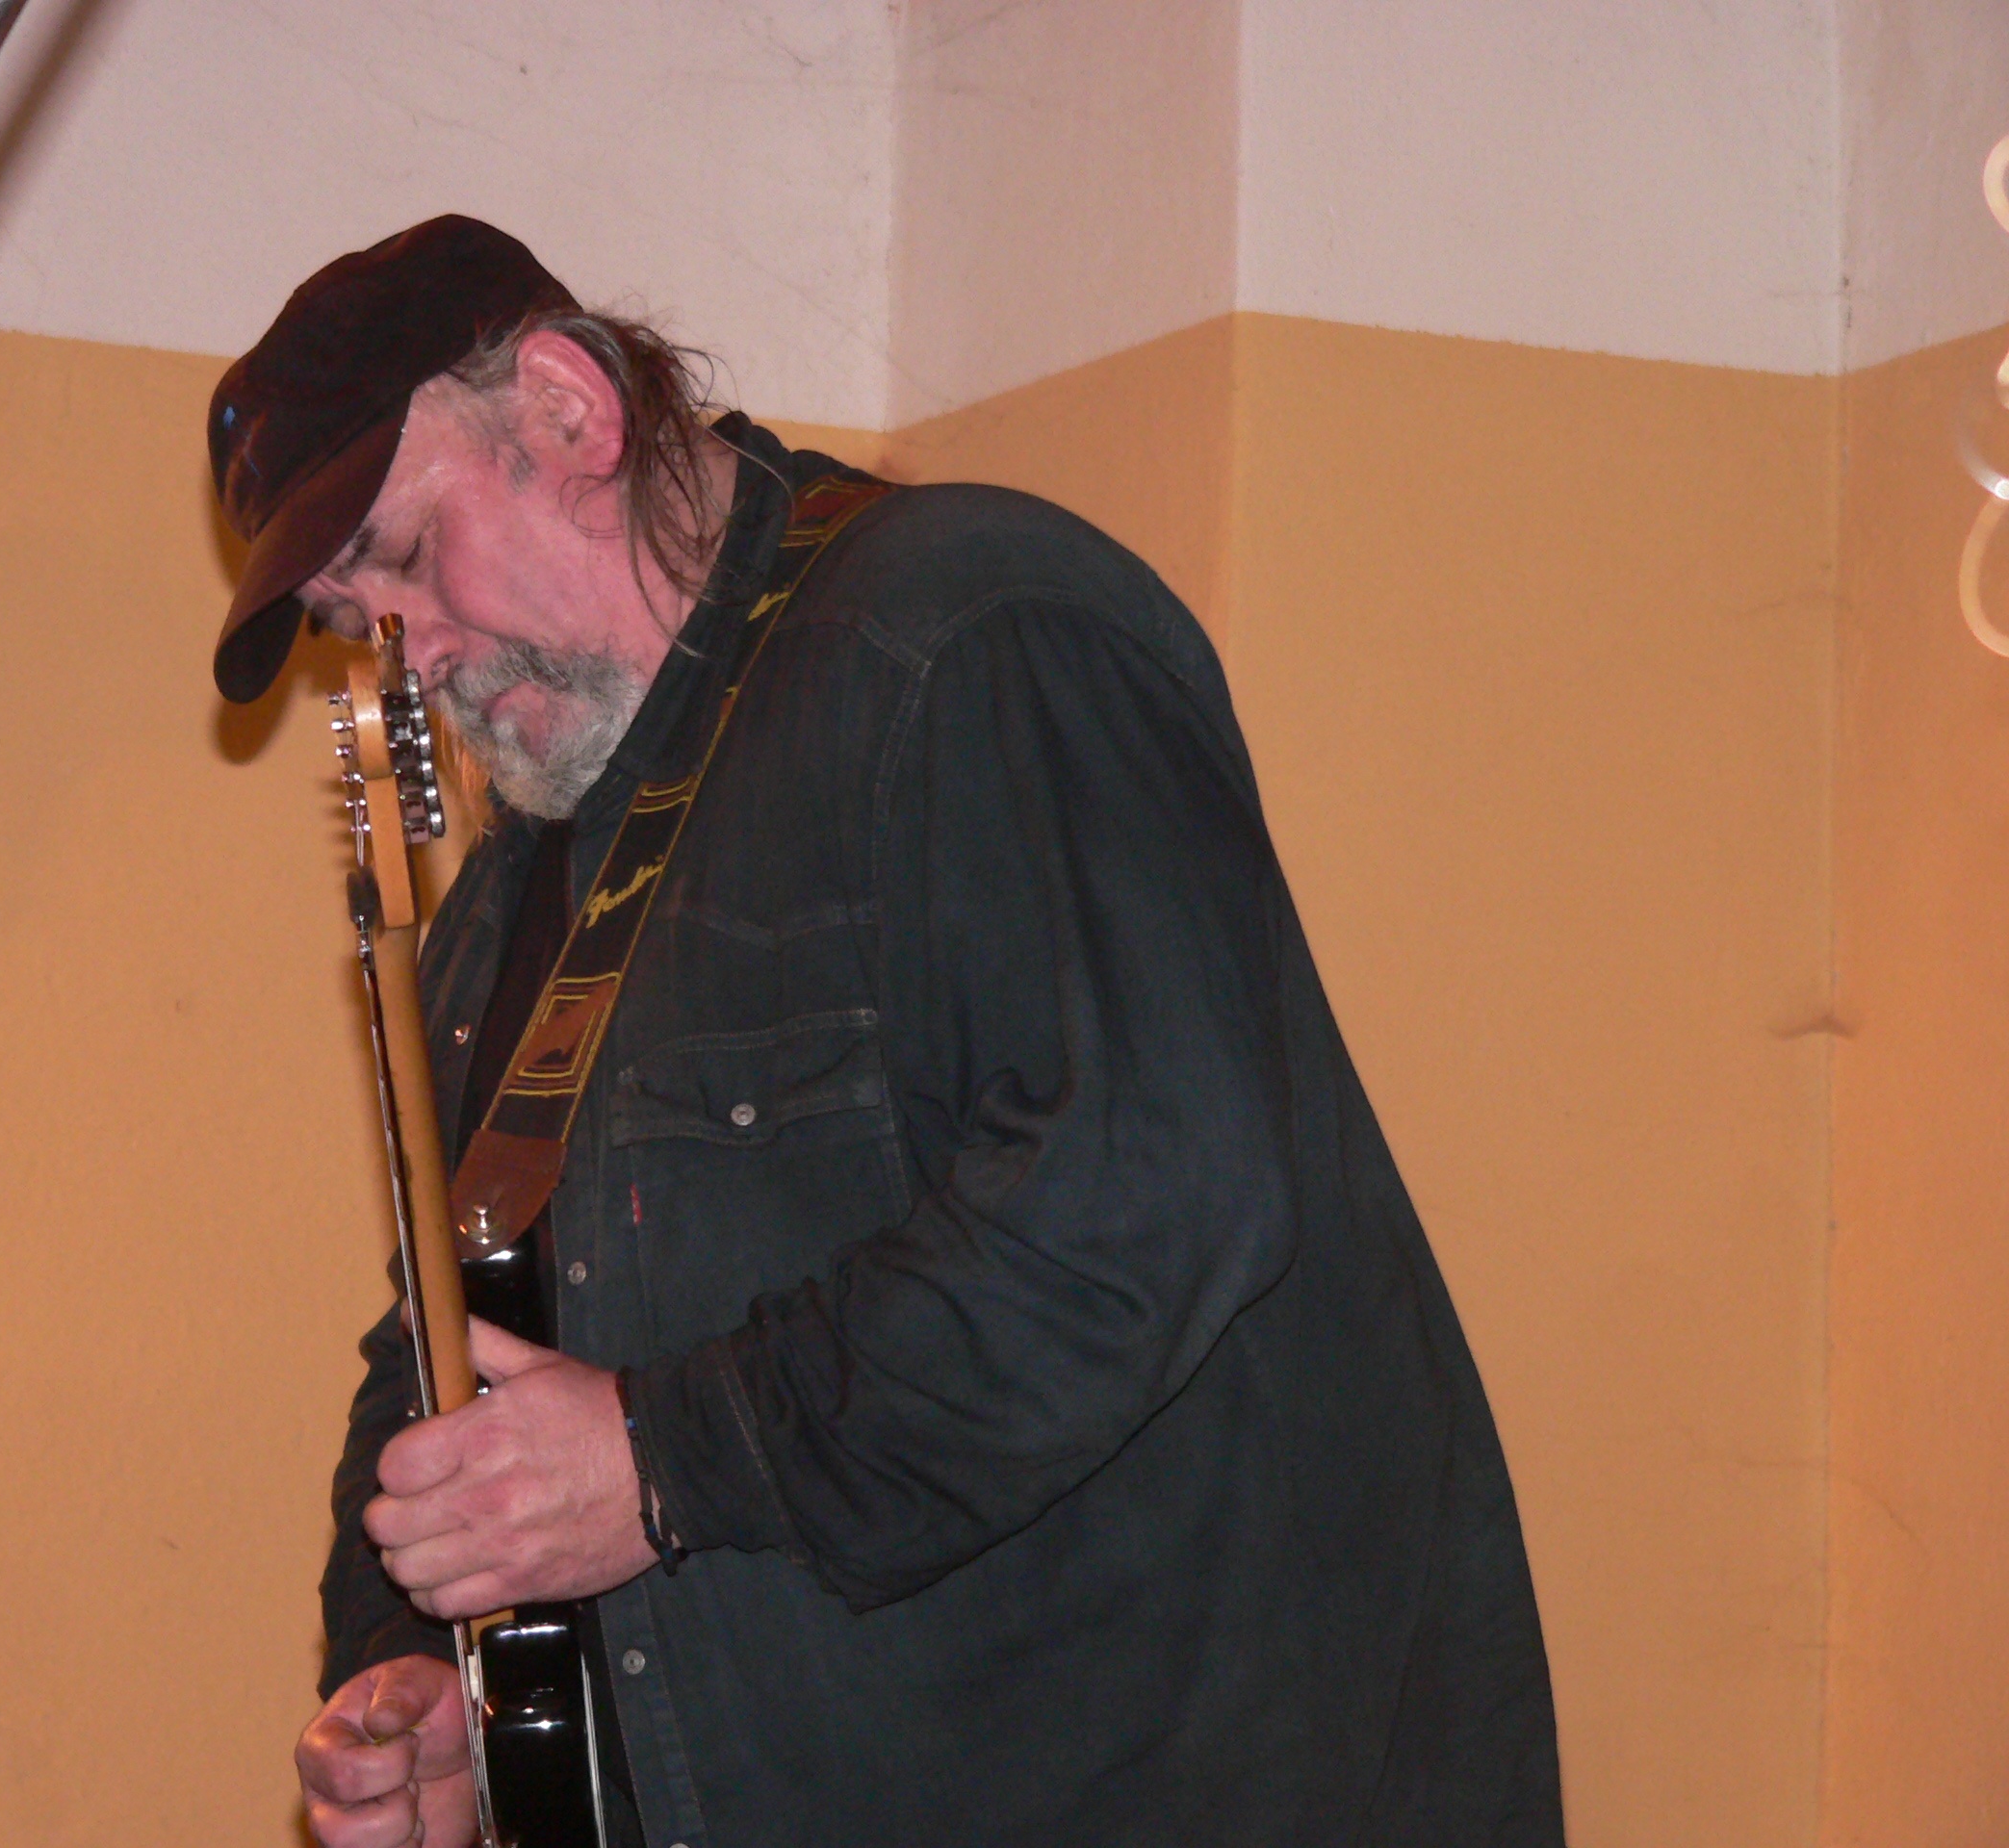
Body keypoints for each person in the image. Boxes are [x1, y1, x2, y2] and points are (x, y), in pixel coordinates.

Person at [207, 216, 1565, 1848]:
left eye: (409, 554)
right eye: (360, 616)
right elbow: (447, 1334)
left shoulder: (972, 631)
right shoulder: (519, 884)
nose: (410, 654)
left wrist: (659, 1464)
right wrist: (421, 1672)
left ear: (570, 409)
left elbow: (1151, 1194)